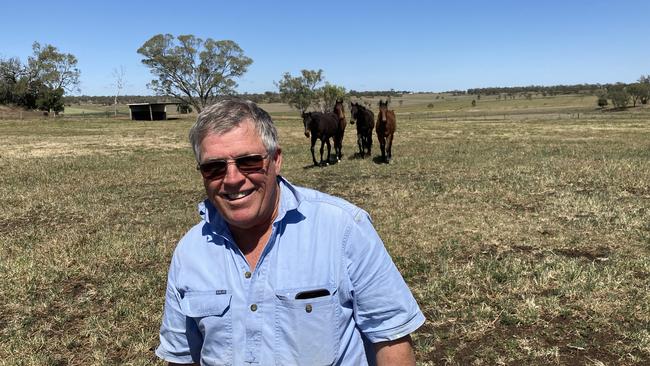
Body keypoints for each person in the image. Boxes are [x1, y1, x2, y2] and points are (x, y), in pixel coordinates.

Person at [155, 98, 425, 365]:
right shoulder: (190, 251)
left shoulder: (344, 229)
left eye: (248, 161)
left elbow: (391, 339)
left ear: (276, 160)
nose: (233, 179)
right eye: (214, 167)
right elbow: (182, 358)